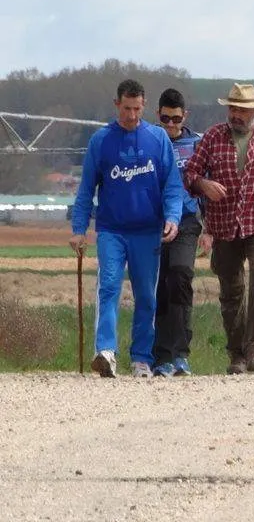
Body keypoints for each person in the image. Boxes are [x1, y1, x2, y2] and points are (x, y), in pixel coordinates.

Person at [69, 79, 183, 378]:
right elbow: (85, 190)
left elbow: (172, 185)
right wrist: (79, 228)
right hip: (112, 230)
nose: (132, 115)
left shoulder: (158, 140)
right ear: (116, 104)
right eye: (126, 108)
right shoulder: (101, 141)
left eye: (137, 108)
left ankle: (141, 358)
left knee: (146, 295)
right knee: (108, 286)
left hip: (148, 231)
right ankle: (105, 351)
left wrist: (173, 216)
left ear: (144, 106)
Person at [184, 83, 254, 375]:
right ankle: (236, 353)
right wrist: (203, 185)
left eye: (242, 109)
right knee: (232, 291)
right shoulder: (212, 137)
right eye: (232, 108)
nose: (236, 114)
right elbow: (190, 174)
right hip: (223, 224)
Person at [152, 88, 202, 377]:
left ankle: (181, 352)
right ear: (157, 115)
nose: (171, 124)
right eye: (165, 118)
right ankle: (162, 356)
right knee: (160, 286)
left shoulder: (197, 143)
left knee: (181, 276)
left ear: (186, 116)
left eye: (176, 119)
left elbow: (207, 183)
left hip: (186, 222)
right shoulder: (150, 141)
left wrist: (208, 228)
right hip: (154, 223)